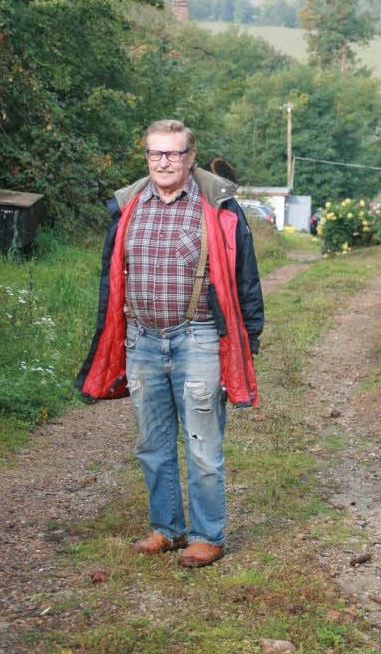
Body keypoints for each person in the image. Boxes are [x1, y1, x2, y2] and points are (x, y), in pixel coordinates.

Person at [76, 119, 264, 567]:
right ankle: (167, 528)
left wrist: (248, 338)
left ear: (190, 157)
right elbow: (112, 281)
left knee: (202, 446)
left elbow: (246, 279)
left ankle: (207, 535)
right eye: (155, 153)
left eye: (174, 153)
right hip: (141, 340)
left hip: (198, 338)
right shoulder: (129, 207)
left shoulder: (218, 209)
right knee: (152, 444)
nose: (164, 161)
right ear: (147, 157)